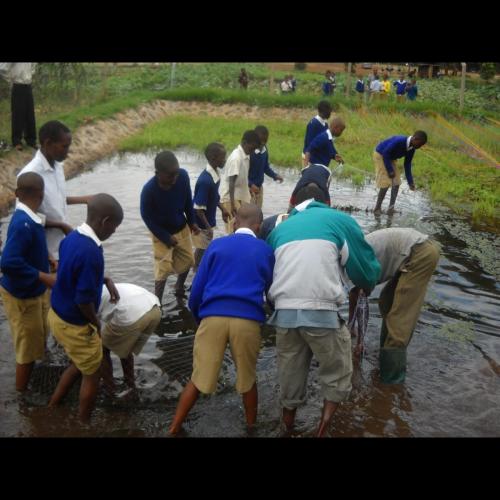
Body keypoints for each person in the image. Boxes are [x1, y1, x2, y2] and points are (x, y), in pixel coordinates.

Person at [266, 190, 381, 437]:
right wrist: (366, 284)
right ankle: (322, 429)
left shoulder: (278, 230)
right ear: (326, 203)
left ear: (294, 205)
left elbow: (267, 277)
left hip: (284, 315)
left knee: (290, 376)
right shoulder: (340, 221)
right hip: (323, 314)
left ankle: (287, 426)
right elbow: (365, 271)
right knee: (337, 375)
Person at [168, 204, 275, 436]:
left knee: (198, 379)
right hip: (247, 321)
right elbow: (269, 290)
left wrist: (200, 318)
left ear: (234, 222)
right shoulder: (265, 250)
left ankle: (174, 428)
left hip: (212, 317)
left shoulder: (216, 246)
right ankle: (250, 429)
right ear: (259, 226)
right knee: (248, 380)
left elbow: (196, 291)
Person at [47, 194, 123, 422]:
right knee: (93, 374)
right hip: (75, 324)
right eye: (114, 226)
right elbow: (83, 300)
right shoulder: (92, 252)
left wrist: (104, 279)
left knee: (79, 364)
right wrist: (95, 323)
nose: (115, 232)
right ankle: (83, 423)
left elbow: (71, 274)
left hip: (56, 316)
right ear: (104, 221)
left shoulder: (71, 238)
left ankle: (53, 404)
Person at [351, 228, 440, 383]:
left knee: (400, 318)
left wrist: (357, 338)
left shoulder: (354, 263)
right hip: (411, 251)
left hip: (421, 253)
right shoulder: (352, 257)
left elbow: (358, 298)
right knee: (387, 302)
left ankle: (391, 381)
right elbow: (357, 297)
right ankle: (384, 355)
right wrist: (356, 335)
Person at [0, 173, 60, 391]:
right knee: (26, 349)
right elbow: (7, 262)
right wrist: (44, 276)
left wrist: (47, 258)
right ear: (42, 195)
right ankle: (22, 397)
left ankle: (39, 373)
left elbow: (33, 244)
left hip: (34, 291)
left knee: (39, 335)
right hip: (21, 295)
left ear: (17, 194)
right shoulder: (23, 224)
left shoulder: (30, 218)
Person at [17, 120, 92, 266]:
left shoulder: (57, 166)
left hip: (61, 246)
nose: (68, 151)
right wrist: (60, 225)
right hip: (44, 251)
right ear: (48, 143)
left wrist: (85, 199)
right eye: (64, 146)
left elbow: (57, 199)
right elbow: (24, 215)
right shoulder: (30, 175)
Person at [140, 151, 200, 303]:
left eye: (176, 174)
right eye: (170, 176)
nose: (174, 179)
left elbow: (188, 200)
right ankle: (157, 302)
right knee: (163, 269)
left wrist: (192, 222)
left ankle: (178, 287)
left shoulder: (183, 177)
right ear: (157, 173)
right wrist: (165, 237)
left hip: (181, 227)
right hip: (160, 233)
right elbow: (147, 218)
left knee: (188, 260)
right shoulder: (149, 191)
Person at [99, 283, 161, 392]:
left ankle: (109, 386)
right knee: (126, 347)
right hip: (154, 309)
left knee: (102, 349)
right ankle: (130, 384)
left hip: (134, 314)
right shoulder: (101, 287)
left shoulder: (85, 299)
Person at [189, 142, 229, 275]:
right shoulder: (205, 181)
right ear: (213, 158)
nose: (225, 160)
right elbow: (198, 209)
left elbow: (214, 196)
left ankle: (197, 275)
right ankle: (194, 277)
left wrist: (223, 208)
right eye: (222, 157)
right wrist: (208, 228)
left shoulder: (215, 174)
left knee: (205, 251)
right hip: (201, 225)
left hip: (208, 222)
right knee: (201, 251)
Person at [292, 117, 346, 207]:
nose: (341, 133)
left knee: (318, 191)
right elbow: (308, 150)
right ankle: (321, 206)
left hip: (322, 170)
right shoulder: (323, 137)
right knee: (315, 191)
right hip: (314, 169)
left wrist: (334, 156)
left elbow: (327, 151)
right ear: (335, 128)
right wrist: (305, 169)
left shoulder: (329, 139)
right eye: (341, 130)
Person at [373, 130, 428, 214]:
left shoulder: (412, 149)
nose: (420, 147)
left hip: (390, 158)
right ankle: (377, 209)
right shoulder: (399, 141)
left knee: (396, 183)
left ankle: (391, 208)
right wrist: (390, 170)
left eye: (422, 145)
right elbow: (385, 153)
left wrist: (410, 182)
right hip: (381, 155)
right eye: (420, 144)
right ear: (415, 139)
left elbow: (407, 164)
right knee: (385, 183)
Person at [219, 130, 261, 234]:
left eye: (255, 148)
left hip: (238, 197)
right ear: (244, 142)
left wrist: (248, 188)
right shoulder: (236, 158)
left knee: (240, 228)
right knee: (232, 229)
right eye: (252, 147)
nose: (253, 150)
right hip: (230, 198)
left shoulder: (246, 155)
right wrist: (232, 204)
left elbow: (242, 177)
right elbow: (231, 182)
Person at [0, 63, 37, 150]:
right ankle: (17, 141)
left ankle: (31, 140)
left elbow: (33, 67)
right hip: (18, 86)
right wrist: (10, 79)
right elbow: (2, 68)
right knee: (18, 114)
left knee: (30, 114)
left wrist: (29, 76)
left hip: (28, 85)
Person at [248, 125, 284, 209]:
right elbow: (242, 174)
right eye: (261, 141)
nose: (263, 143)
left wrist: (275, 175)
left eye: (265, 141)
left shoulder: (264, 150)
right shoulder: (250, 153)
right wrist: (251, 185)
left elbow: (265, 167)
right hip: (248, 190)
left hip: (259, 189)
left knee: (257, 213)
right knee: (248, 213)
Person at [302, 100, 333, 166]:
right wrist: (306, 164)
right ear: (324, 111)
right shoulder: (313, 124)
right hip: (310, 160)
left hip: (319, 160)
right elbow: (309, 144)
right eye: (329, 111)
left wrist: (334, 154)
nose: (330, 113)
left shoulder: (325, 124)